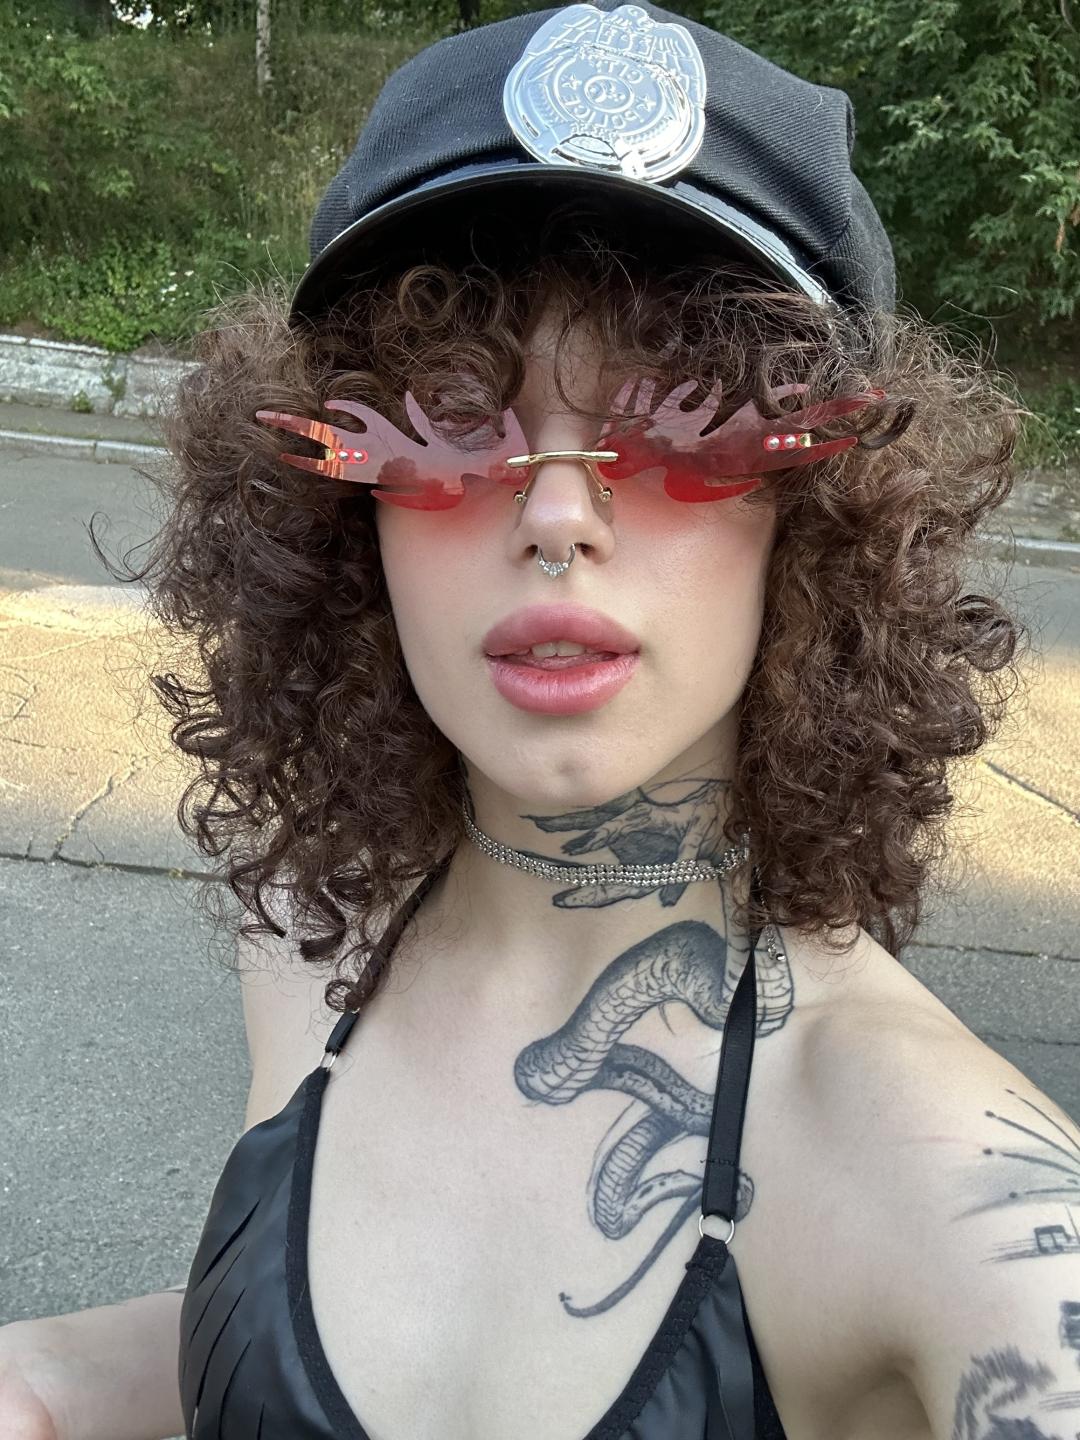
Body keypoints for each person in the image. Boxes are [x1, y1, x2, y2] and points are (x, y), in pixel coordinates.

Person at [2, 3, 1078, 1438]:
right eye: (449, 423)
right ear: (343, 517)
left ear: (821, 513)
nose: (559, 514)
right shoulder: (317, 946)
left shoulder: (945, 1196)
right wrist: (48, 1383)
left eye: (685, 425)